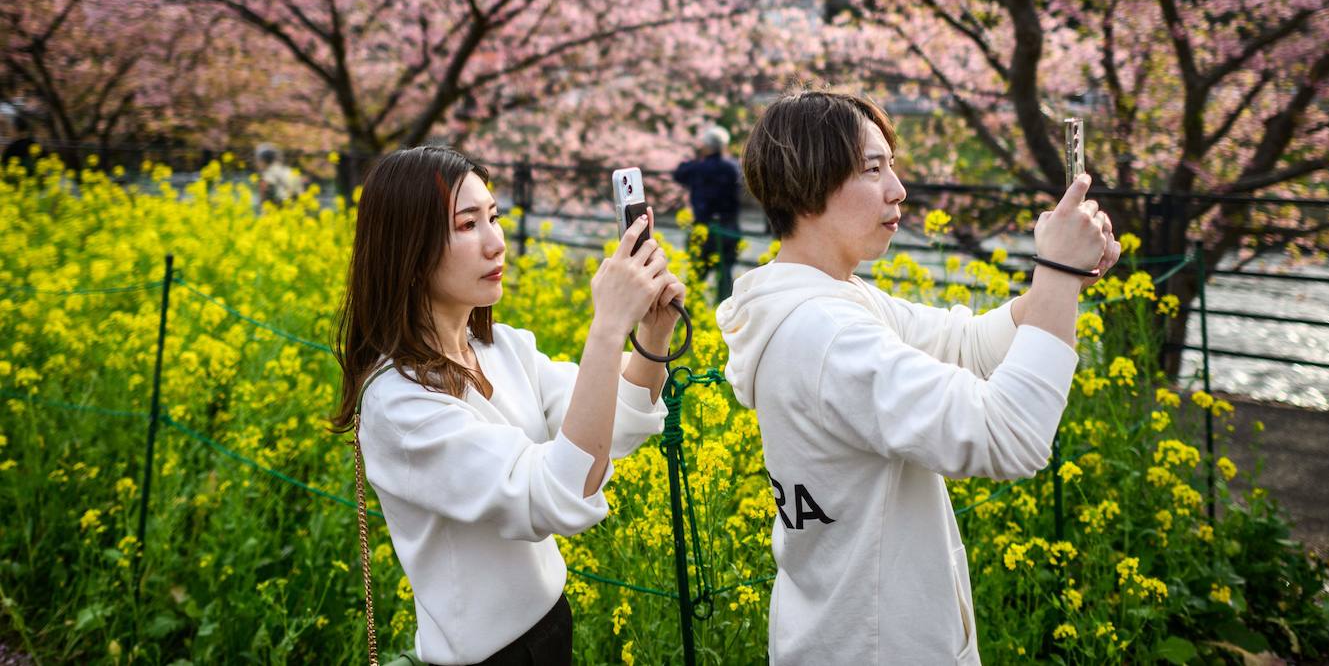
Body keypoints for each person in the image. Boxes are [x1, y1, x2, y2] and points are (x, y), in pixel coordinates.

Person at [715, 91, 1120, 665]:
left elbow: (968, 347)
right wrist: (1053, 270)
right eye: (872, 169)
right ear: (808, 185)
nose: (898, 188)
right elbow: (1008, 436)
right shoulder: (826, 333)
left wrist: (1063, 284)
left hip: (842, 632)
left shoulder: (826, 298)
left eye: (893, 166)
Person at [329, 146, 683, 665]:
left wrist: (651, 333)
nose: (496, 243)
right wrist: (607, 328)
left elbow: (616, 427)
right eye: (467, 225)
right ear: (406, 249)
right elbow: (559, 493)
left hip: (551, 628)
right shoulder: (399, 404)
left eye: (493, 217)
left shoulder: (502, 349)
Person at [672, 125, 742, 297]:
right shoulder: (733, 167)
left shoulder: (698, 168)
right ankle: (724, 314)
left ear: (707, 146)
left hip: (703, 226)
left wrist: (696, 156)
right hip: (728, 226)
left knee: (697, 273)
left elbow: (678, 173)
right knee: (725, 272)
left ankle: (690, 312)